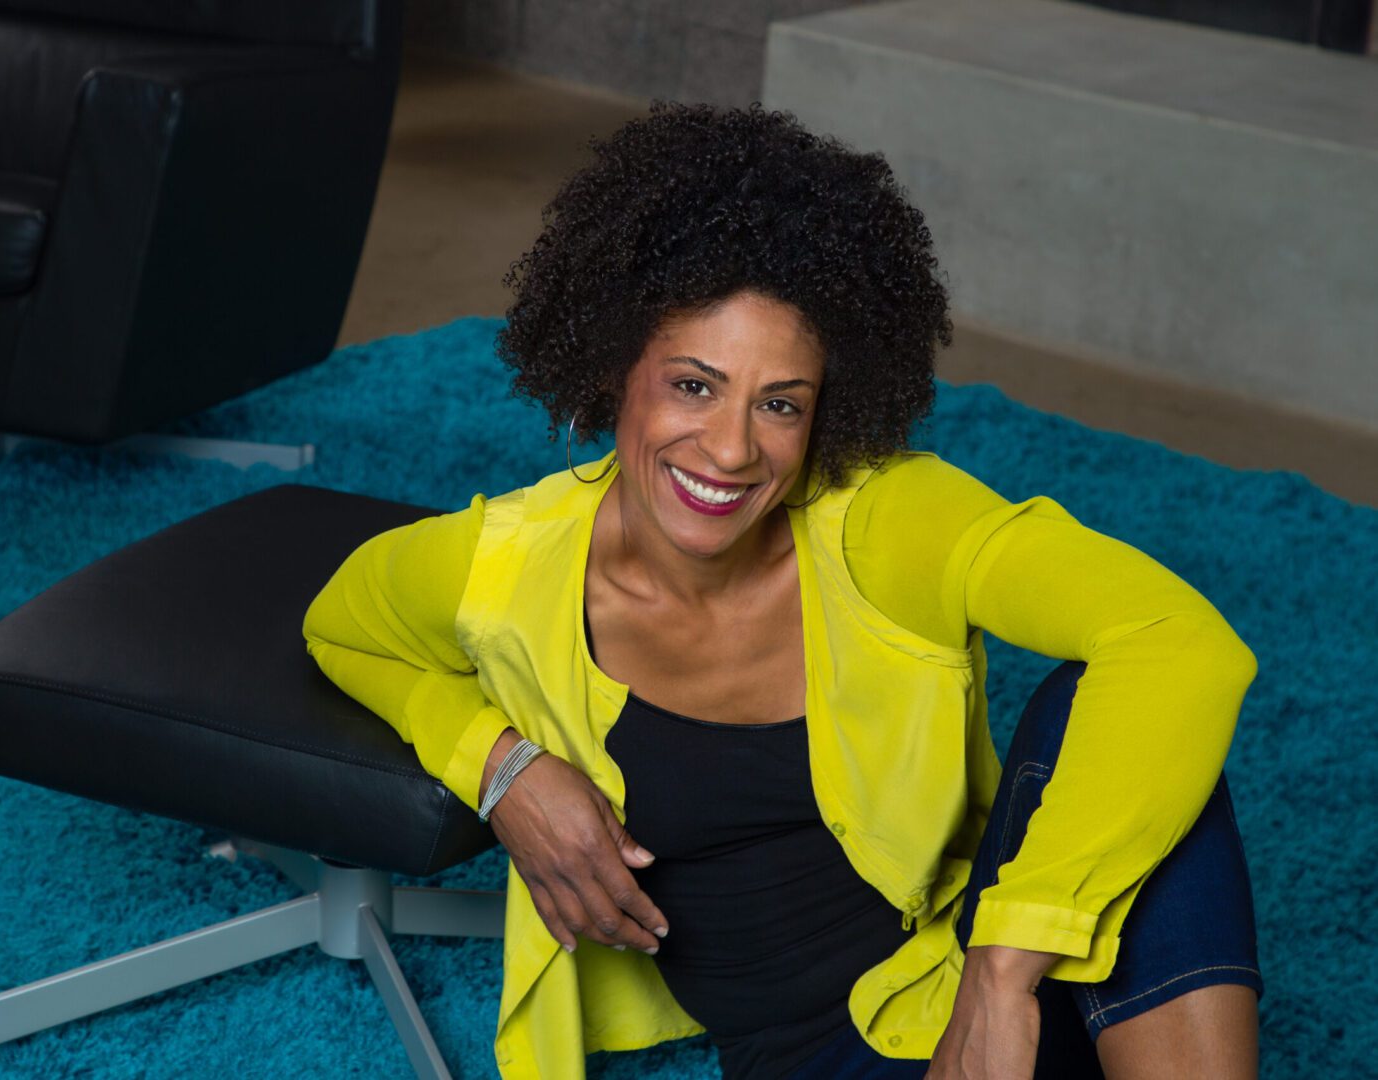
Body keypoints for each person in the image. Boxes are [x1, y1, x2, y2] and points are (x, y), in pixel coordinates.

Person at [302, 103, 1262, 1079]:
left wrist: (1000, 972)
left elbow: (1178, 639)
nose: (730, 449)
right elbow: (341, 625)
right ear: (612, 365)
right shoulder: (505, 562)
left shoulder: (886, 523)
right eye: (693, 386)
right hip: (824, 1056)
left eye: (780, 404)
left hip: (999, 995)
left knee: (1122, 724)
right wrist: (503, 769)